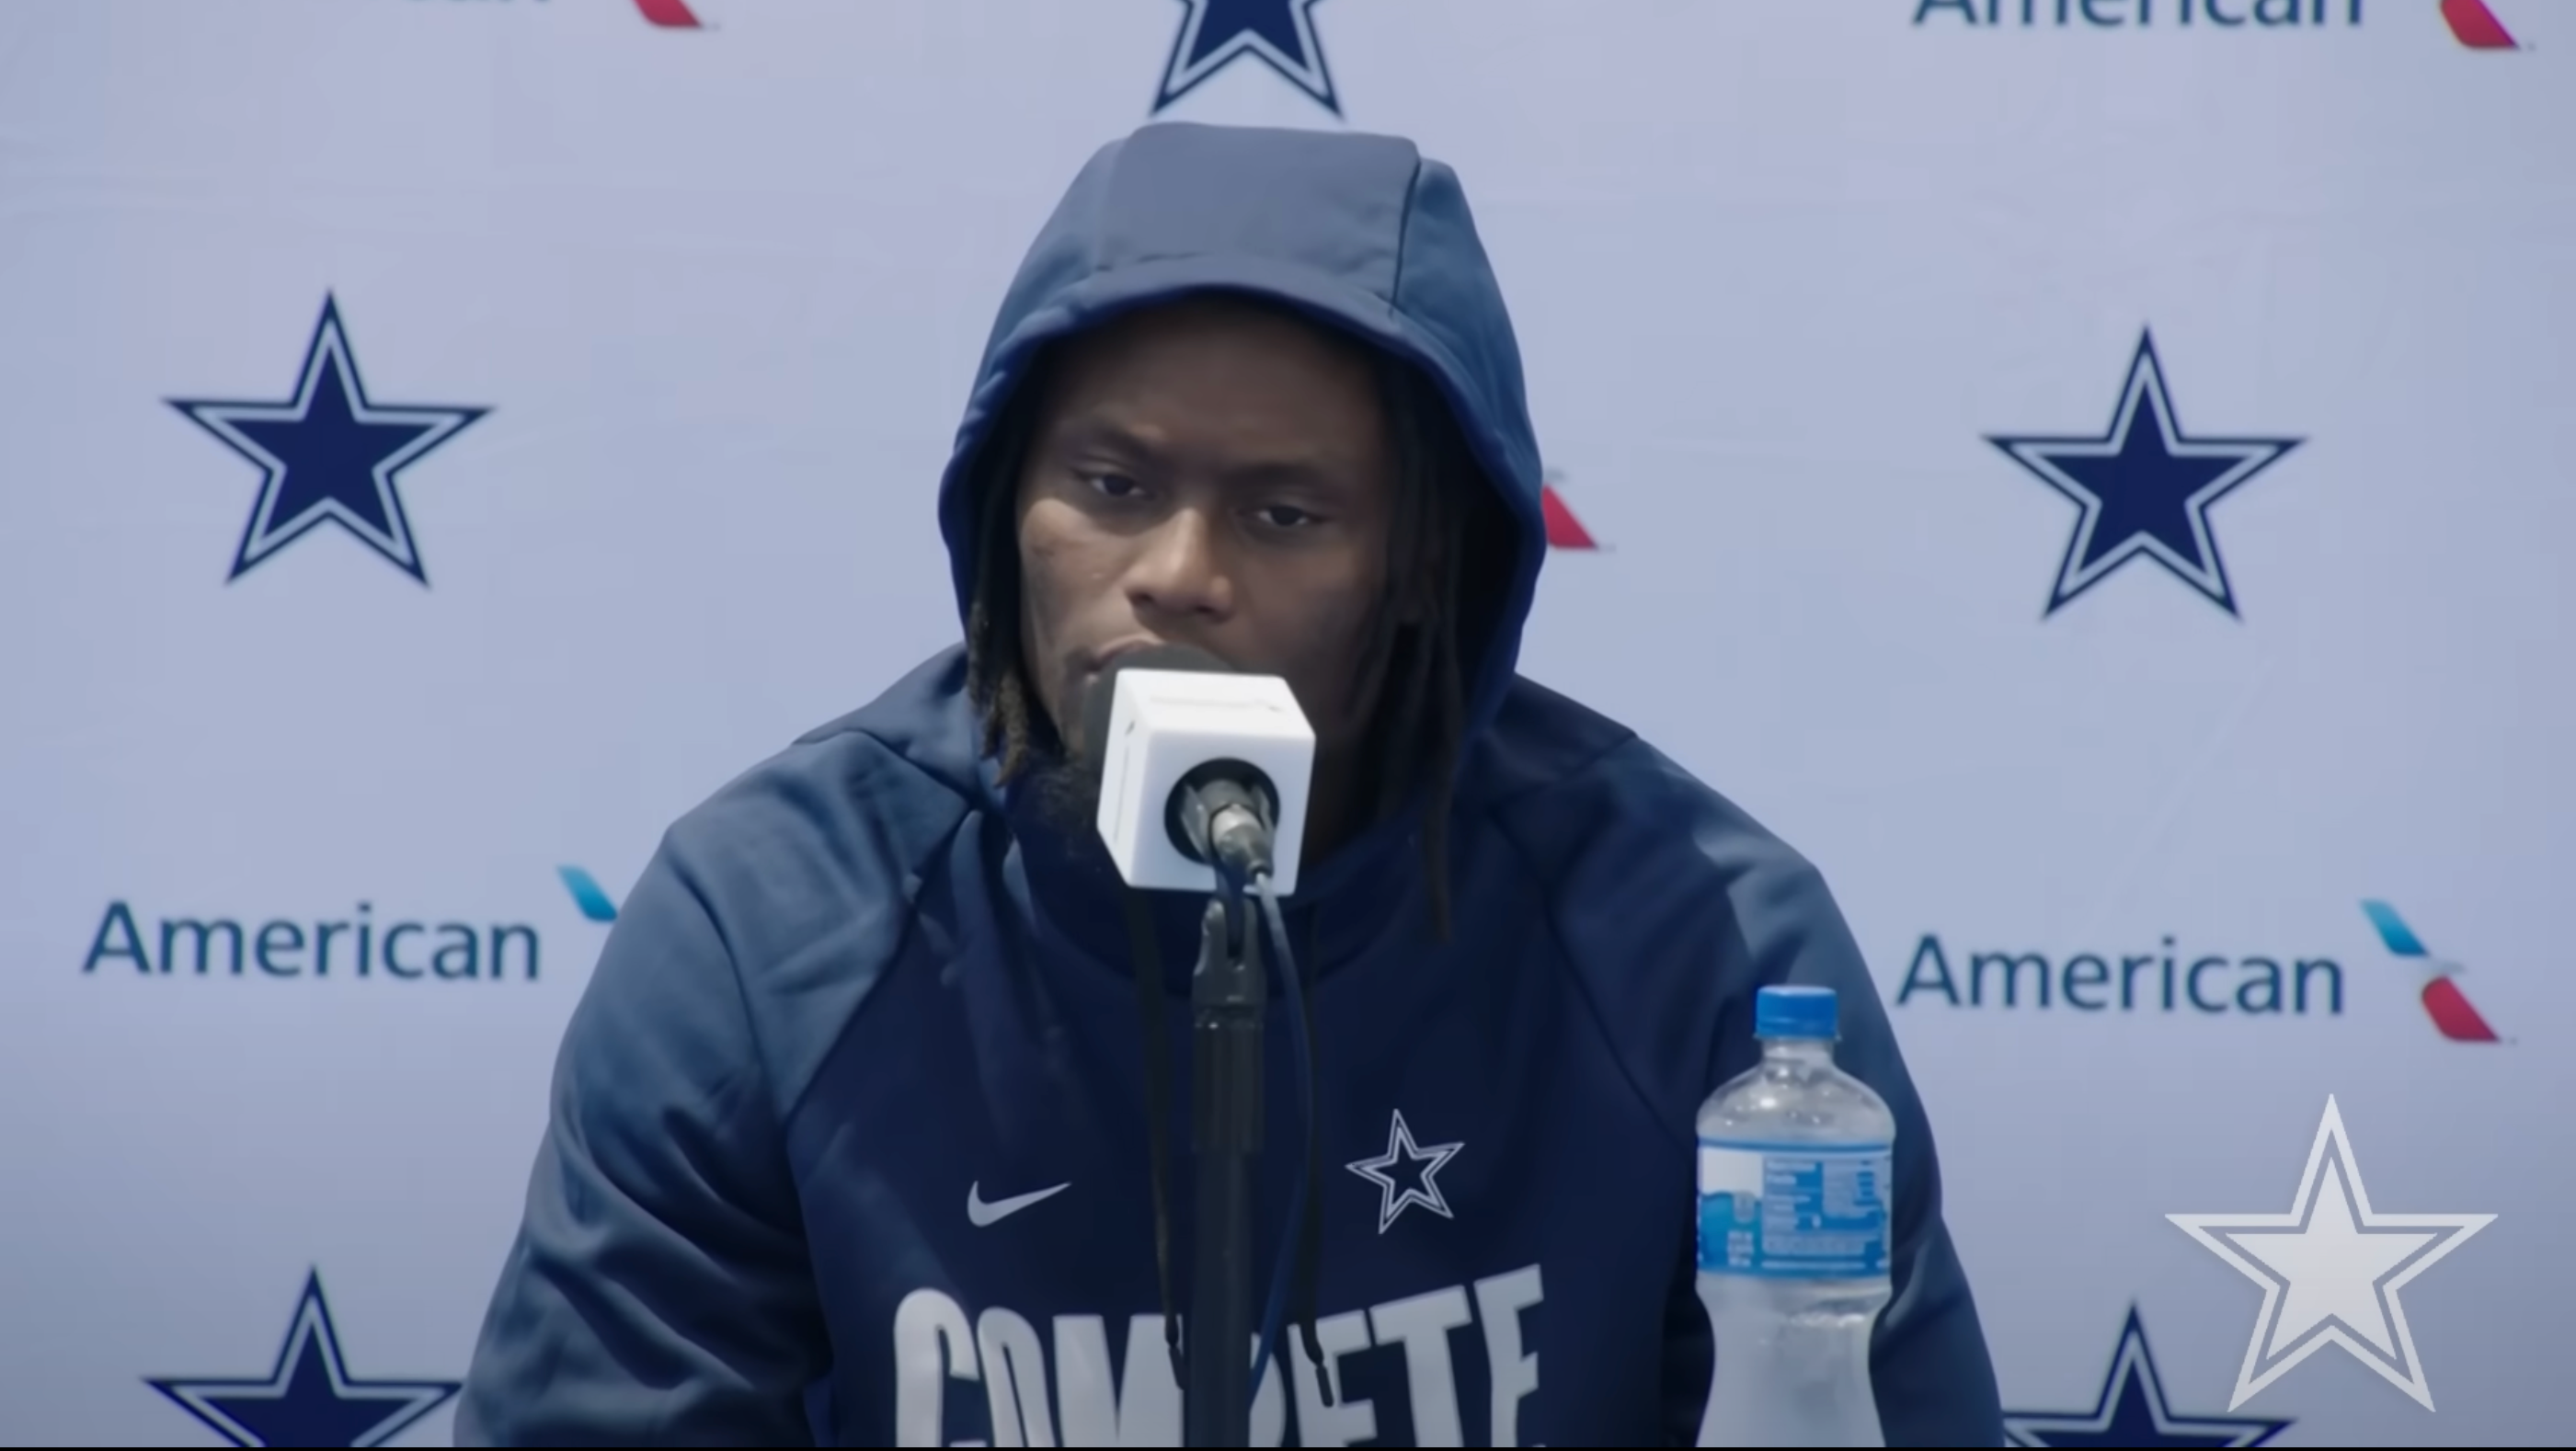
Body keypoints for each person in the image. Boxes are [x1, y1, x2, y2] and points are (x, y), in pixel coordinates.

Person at [455, 120, 2003, 1447]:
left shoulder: (1696, 945)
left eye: (1284, 515)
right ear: (1007, 509)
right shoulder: (770, 929)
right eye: (1110, 486)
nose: (1178, 575)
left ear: (1422, 568)